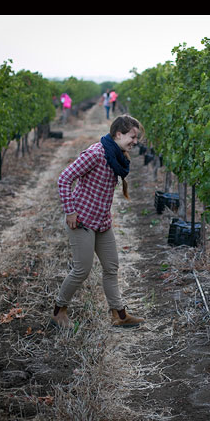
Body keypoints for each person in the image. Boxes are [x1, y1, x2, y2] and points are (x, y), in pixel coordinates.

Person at [52, 114, 145, 329]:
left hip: (102, 221)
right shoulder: (96, 153)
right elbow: (64, 178)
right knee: (81, 270)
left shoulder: (116, 155)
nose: (135, 141)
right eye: (132, 136)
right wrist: (70, 212)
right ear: (118, 134)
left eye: (136, 137)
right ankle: (58, 311)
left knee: (111, 267)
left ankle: (119, 315)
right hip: (82, 221)